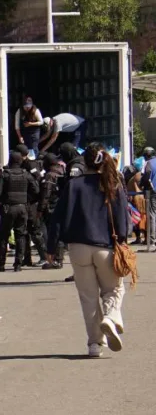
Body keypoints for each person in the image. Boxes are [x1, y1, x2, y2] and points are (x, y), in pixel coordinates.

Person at [47, 143, 130, 358]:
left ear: (85, 162)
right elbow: (123, 219)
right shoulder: (113, 183)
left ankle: (94, 345)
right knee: (114, 289)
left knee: (88, 297)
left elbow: (57, 218)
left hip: (78, 247)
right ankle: (110, 317)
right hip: (106, 245)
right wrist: (122, 239)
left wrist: (51, 248)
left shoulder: (74, 185)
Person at [0, 151, 39, 273]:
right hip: (22, 207)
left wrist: (1, 199)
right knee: (20, 235)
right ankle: (18, 265)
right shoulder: (26, 174)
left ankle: (1, 265)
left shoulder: (4, 175)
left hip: (8, 208)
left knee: (3, 236)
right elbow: (36, 189)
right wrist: (26, 199)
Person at [39, 154, 67, 270]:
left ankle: (54, 259)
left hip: (51, 208)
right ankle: (58, 259)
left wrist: (40, 209)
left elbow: (46, 193)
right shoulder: (63, 172)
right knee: (59, 233)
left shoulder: (50, 176)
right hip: (61, 206)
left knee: (52, 234)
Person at [143, 147, 156, 253]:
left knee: (152, 215)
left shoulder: (149, 164)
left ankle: (152, 240)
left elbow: (146, 178)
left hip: (153, 192)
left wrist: (141, 184)